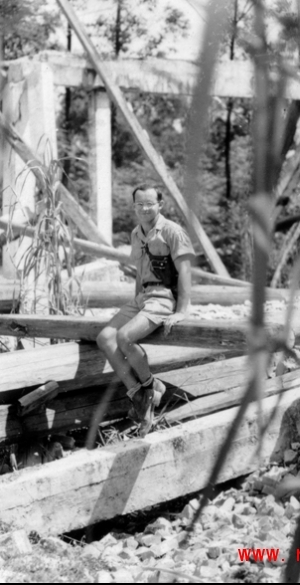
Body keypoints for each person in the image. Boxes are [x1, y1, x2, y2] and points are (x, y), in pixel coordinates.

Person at [96, 183, 194, 436]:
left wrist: (182, 310)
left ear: (160, 205)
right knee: (105, 338)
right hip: (143, 297)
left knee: (125, 337)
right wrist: (136, 302)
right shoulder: (135, 233)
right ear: (134, 207)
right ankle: (140, 392)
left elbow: (184, 271)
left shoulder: (173, 232)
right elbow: (140, 272)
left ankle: (148, 391)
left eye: (149, 203)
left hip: (163, 297)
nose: (144, 208)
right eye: (139, 204)